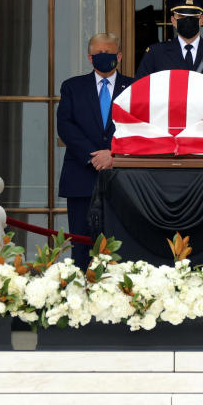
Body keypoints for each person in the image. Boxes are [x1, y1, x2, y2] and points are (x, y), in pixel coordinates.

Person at [57, 33, 134, 269]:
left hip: (122, 179)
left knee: (122, 248)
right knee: (81, 248)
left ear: (119, 56)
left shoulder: (134, 87)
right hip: (81, 177)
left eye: (109, 53)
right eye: (99, 53)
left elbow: (139, 126)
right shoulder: (72, 87)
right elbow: (65, 126)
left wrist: (113, 152)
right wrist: (94, 156)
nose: (104, 57)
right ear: (90, 58)